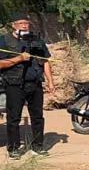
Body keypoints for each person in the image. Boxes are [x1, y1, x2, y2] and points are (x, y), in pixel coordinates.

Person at [0, 13, 53, 159]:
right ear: (13, 25)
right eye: (21, 23)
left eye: (27, 23)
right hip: (14, 84)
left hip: (35, 84)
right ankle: (14, 149)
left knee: (37, 117)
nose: (24, 25)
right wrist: (19, 58)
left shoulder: (36, 40)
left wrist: (50, 81)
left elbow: (45, 61)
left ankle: (37, 146)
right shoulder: (4, 41)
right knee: (14, 118)